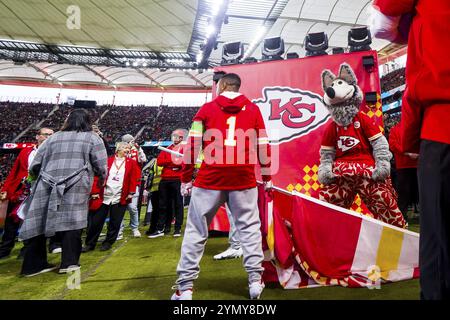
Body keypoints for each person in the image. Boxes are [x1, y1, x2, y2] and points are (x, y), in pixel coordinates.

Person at [371, 0, 450, 300]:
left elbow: (416, 86)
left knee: (437, 238)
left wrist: (409, 139)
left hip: (441, 132)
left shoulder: (428, 13)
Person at [171, 73, 272, 300]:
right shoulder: (254, 110)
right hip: (243, 179)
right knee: (249, 230)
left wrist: (186, 178)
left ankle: (185, 287)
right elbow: (264, 146)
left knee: (196, 231)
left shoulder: (206, 109)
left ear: (222, 85)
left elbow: (193, 145)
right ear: (238, 86)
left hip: (210, 179)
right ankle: (255, 280)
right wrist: (267, 177)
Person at [19, 109, 108, 277]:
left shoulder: (53, 138)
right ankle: (69, 263)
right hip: (75, 185)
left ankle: (32, 266)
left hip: (45, 184)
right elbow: (101, 166)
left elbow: (34, 165)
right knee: (72, 223)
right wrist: (101, 181)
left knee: (39, 223)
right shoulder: (92, 138)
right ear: (88, 121)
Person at [0, 127, 54, 260]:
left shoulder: (53, 153)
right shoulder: (25, 151)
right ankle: (5, 248)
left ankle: (26, 248)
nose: (48, 137)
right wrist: (5, 189)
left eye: (51, 135)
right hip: (19, 191)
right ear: (37, 136)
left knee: (31, 221)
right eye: (46, 134)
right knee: (11, 221)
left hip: (39, 191)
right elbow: (14, 171)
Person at [82, 142, 140, 252]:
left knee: (115, 222)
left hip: (120, 196)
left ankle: (108, 242)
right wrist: (94, 191)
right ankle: (90, 244)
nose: (127, 150)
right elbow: (97, 176)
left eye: (128, 148)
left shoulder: (131, 163)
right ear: (117, 150)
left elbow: (134, 177)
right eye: (125, 148)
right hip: (103, 196)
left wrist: (131, 192)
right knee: (96, 222)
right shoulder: (107, 161)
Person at [148, 129, 186, 238]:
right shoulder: (167, 149)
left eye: (176, 136)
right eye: (173, 136)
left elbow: (184, 163)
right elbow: (159, 162)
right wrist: (173, 163)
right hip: (165, 180)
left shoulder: (183, 149)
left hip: (177, 179)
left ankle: (177, 229)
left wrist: (171, 163)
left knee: (178, 204)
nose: (174, 138)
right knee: (163, 205)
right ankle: (161, 228)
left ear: (181, 138)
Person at [388, 122, 419, 222]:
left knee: (408, 192)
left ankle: (402, 216)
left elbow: (393, 145)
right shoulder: (396, 129)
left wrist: (407, 152)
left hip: (413, 165)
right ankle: (402, 215)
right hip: (405, 165)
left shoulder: (414, 127)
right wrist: (408, 152)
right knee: (404, 192)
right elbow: (393, 145)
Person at [118, 134, 146, 238]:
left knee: (132, 207)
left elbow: (143, 159)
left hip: (134, 182)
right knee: (119, 208)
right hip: (121, 182)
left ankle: (134, 227)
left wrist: (139, 149)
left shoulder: (137, 150)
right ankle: (119, 229)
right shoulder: (121, 151)